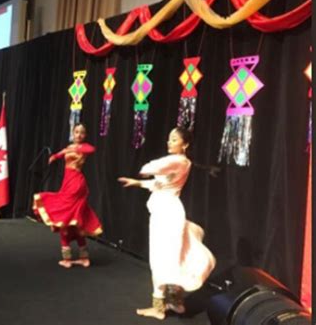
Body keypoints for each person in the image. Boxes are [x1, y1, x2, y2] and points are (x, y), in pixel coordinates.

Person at [118, 127, 216, 320]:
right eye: (169, 139)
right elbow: (158, 184)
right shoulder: (180, 163)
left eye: (174, 139)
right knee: (173, 257)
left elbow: (149, 168)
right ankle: (176, 302)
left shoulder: (178, 161)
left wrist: (143, 172)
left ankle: (158, 308)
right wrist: (136, 182)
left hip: (166, 214)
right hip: (168, 211)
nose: (169, 142)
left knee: (161, 259)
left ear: (185, 144)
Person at [33, 123, 102, 268]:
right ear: (73, 132)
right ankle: (81, 257)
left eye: (82, 133)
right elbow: (60, 153)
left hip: (76, 184)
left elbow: (92, 149)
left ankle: (70, 258)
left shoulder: (82, 148)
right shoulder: (69, 147)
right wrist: (54, 157)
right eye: (76, 132)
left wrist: (76, 148)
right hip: (67, 183)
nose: (79, 135)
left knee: (65, 215)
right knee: (74, 220)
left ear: (85, 135)